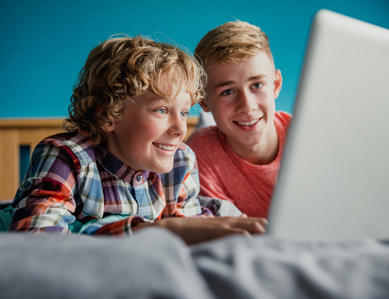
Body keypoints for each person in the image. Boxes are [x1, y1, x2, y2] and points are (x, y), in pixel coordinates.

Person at [7, 35, 266, 244]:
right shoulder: (66, 156)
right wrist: (157, 231)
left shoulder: (180, 160)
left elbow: (190, 231)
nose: (179, 129)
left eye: (184, 112)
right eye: (162, 110)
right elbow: (35, 242)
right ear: (107, 114)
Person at [186, 21, 292, 218]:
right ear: (204, 102)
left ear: (276, 85)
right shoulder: (199, 156)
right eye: (227, 91)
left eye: (257, 85)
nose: (247, 105)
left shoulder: (304, 136)